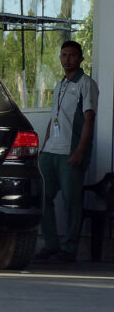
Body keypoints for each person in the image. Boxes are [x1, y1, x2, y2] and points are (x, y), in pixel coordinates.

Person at [36, 40, 99, 262]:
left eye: (72, 55)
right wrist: (44, 146)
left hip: (70, 152)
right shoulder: (60, 84)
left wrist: (80, 150)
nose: (67, 59)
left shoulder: (86, 84)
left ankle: (69, 248)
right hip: (50, 151)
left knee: (72, 201)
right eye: (64, 55)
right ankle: (51, 244)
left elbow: (89, 119)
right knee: (41, 195)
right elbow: (54, 117)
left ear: (81, 58)